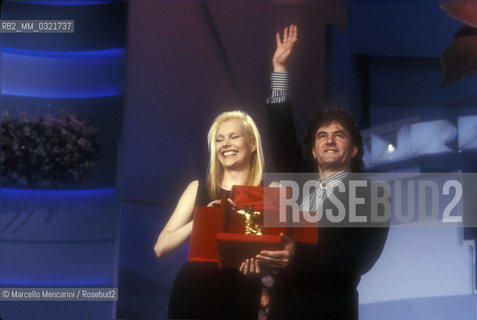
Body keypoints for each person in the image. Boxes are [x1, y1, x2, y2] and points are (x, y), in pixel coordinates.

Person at [254, 25, 389, 319]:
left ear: (354, 150)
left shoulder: (373, 197)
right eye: (321, 135)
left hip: (331, 311)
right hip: (284, 309)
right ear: (313, 150)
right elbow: (281, 134)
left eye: (339, 135)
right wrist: (279, 68)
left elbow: (357, 262)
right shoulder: (297, 180)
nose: (329, 139)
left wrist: (296, 255)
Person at [154, 110, 264, 319]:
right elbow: (160, 247)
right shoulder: (198, 188)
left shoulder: (270, 191)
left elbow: (275, 251)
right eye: (219, 139)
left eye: (234, 136)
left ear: (252, 144)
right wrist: (202, 219)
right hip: (194, 294)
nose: (225, 144)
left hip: (241, 294)